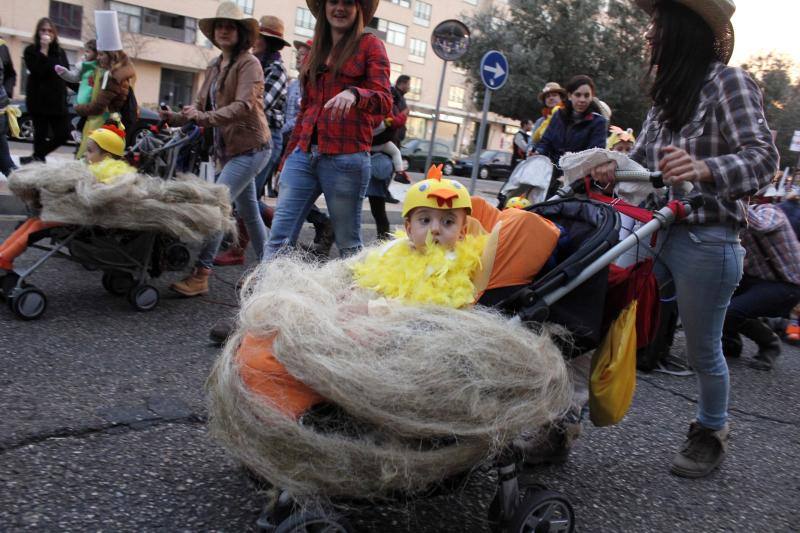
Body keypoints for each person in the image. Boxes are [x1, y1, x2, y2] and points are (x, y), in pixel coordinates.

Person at [590, 0, 778, 478]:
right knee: (597, 319)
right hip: (652, 231)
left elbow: (762, 159)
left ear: (681, 30)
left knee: (701, 350)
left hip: (708, 236)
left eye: (655, 26)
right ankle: (562, 418)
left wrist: (705, 168)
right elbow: (643, 164)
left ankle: (710, 430)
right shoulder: (666, 97)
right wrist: (614, 166)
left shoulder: (729, 83)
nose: (648, 36)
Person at [264, 0, 391, 260]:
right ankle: (267, 298)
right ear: (324, 8)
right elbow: (304, 112)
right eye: (333, 1)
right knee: (279, 237)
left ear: (358, 10)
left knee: (348, 246)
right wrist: (285, 161)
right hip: (303, 155)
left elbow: (385, 100)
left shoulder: (369, 45)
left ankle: (353, 300)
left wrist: (355, 94)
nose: (339, 8)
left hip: (346, 157)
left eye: (348, 2)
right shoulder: (315, 51)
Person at [160, 2, 270, 296]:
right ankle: (272, 270)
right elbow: (198, 107)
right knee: (249, 212)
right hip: (228, 149)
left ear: (241, 32)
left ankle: (201, 274)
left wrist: (205, 119)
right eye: (220, 25)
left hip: (252, 146)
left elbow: (244, 105)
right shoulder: (214, 65)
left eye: (230, 26)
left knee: (216, 205)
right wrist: (175, 117)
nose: (223, 30)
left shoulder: (250, 64)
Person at [0, 123, 135, 271]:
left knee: (38, 225)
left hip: (86, 217)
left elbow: (105, 192)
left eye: (89, 151)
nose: (85, 154)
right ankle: (3, 254)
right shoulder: (94, 166)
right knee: (34, 221)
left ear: (107, 156)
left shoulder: (114, 172)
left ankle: (5, 259)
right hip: (76, 211)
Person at [721, 202, 800, 370]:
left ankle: (770, 343)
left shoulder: (770, 210)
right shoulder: (732, 228)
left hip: (789, 285)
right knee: (716, 298)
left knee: (730, 311)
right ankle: (730, 342)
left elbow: (761, 225)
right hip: (761, 281)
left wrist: (727, 204)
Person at [73, 12, 136, 159]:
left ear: (111, 55)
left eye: (102, 54)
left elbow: (98, 107)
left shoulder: (111, 77)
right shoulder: (118, 73)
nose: (98, 58)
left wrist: (78, 108)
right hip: (105, 125)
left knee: (91, 160)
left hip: (100, 125)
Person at [534, 75, 608, 195]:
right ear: (569, 96)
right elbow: (546, 141)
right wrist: (537, 153)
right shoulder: (558, 115)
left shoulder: (598, 122)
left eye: (586, 95)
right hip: (549, 177)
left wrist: (571, 175)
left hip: (579, 184)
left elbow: (594, 155)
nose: (582, 99)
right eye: (578, 95)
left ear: (592, 97)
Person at [21, 18, 70, 164]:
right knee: (40, 136)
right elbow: (37, 71)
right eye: (43, 30)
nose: (46, 33)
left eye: (49, 30)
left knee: (63, 134)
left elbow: (66, 74)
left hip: (57, 102)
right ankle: (37, 161)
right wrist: (43, 51)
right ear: (38, 32)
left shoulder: (60, 52)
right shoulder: (30, 51)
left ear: (54, 33)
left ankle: (36, 156)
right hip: (38, 102)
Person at [253, 15, 290, 200]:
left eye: (258, 37)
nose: (253, 41)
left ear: (269, 42)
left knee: (248, 198)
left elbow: (259, 105)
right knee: (245, 201)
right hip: (249, 135)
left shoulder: (277, 69)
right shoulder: (253, 65)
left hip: (267, 137)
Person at [530, 81, 567, 148]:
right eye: (547, 96)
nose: (551, 98)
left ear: (561, 98)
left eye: (554, 95)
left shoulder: (569, 117)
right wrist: (530, 151)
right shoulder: (540, 121)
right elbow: (532, 143)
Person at [0, 39, 15, 178]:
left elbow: (10, 74)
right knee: (4, 159)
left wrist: (7, 93)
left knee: (4, 159)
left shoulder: (2, 46)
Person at [390, 74, 410, 147]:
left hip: (396, 139)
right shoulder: (395, 96)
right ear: (402, 84)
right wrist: (404, 113)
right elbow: (393, 117)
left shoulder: (401, 97)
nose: (409, 87)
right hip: (392, 139)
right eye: (408, 84)